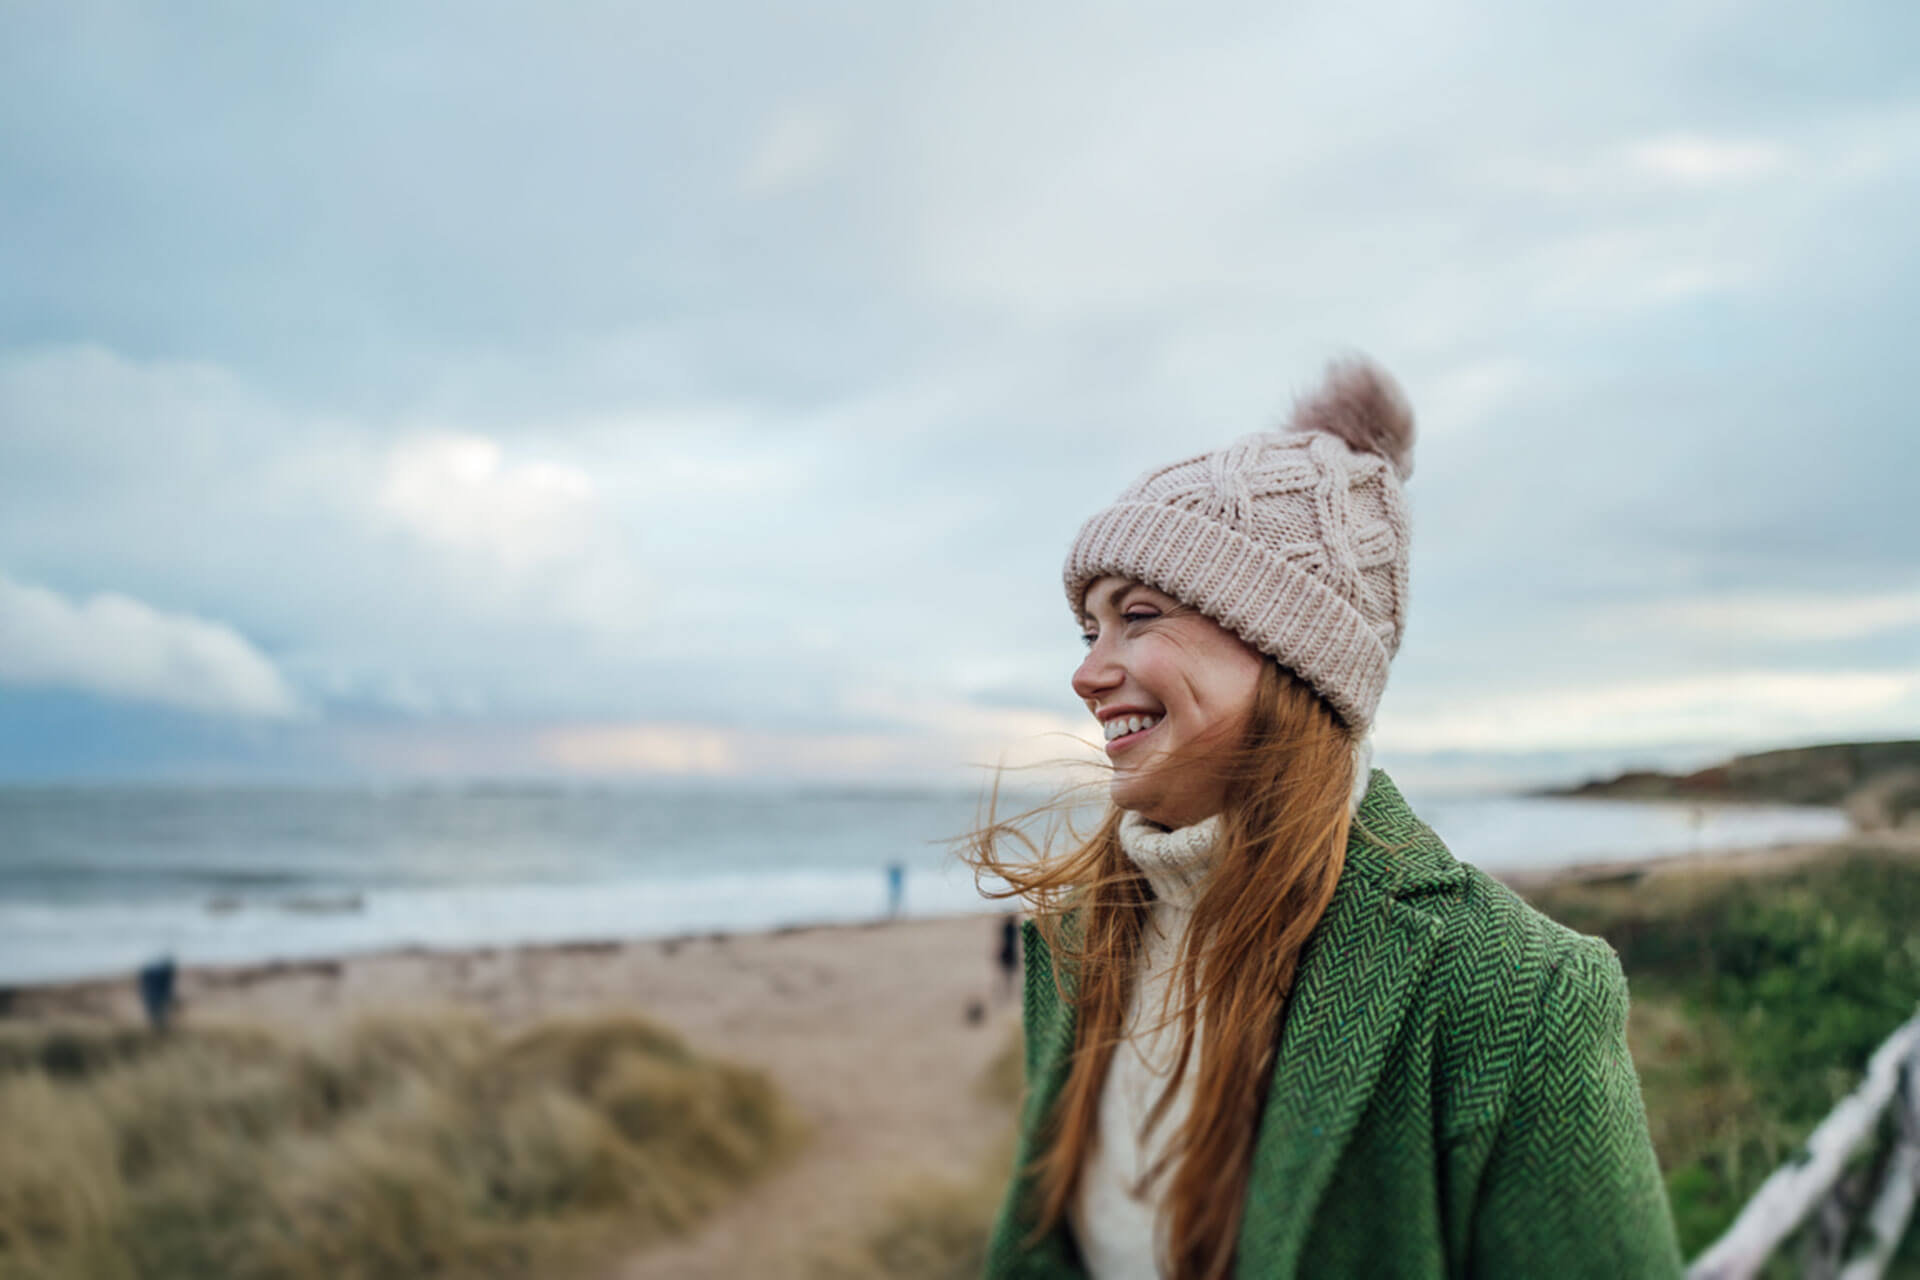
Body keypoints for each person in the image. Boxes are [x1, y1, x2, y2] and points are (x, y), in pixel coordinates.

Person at [968, 360, 1682, 1278]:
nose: (1087, 672)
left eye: (1137, 616)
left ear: (1290, 650)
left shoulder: (1513, 996)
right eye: (1087, 630)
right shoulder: (1073, 944)